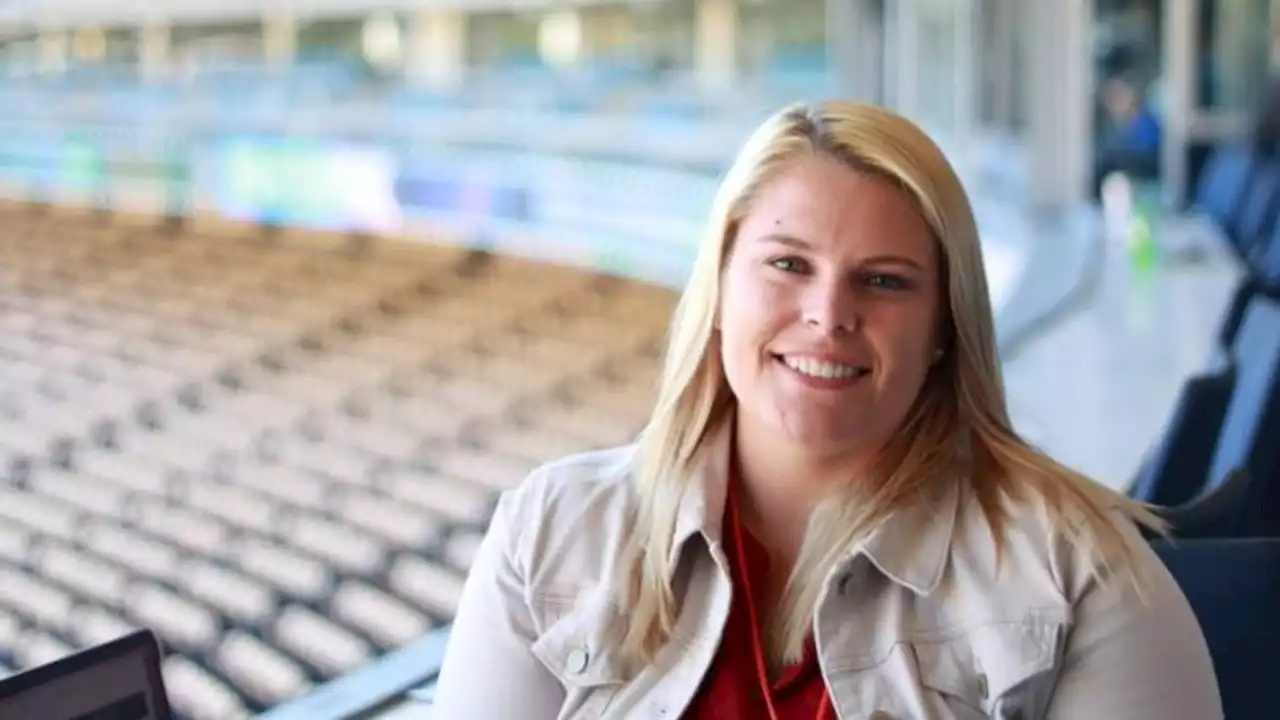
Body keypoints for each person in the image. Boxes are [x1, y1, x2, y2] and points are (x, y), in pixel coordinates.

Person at [431, 101, 1222, 719]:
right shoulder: (550, 536)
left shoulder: (1082, 575)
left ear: (945, 325)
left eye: (883, 280)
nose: (829, 314)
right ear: (718, 291)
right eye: (787, 264)